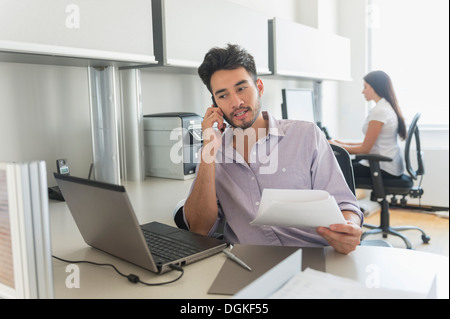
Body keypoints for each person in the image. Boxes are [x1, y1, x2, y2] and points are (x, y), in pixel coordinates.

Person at [183, 44, 363, 255]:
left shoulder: (306, 135)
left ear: (259, 87)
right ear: (215, 105)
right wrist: (208, 150)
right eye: (223, 95)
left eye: (242, 88)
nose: (236, 102)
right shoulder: (214, 153)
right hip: (248, 262)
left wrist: (349, 228)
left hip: (312, 257)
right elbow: (199, 228)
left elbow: (345, 203)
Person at [329, 70, 406, 179]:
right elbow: (368, 144)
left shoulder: (380, 111)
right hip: (387, 164)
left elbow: (365, 149)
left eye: (365, 87)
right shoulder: (385, 107)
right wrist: (339, 143)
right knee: (341, 166)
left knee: (333, 173)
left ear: (375, 87)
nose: (363, 91)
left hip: (383, 168)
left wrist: (335, 146)